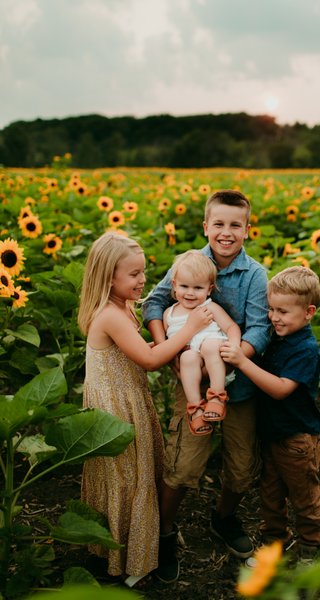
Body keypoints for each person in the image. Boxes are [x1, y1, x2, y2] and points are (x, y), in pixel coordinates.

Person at [142, 189, 269, 582]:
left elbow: (260, 327)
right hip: (192, 380)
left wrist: (235, 355)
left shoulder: (255, 275)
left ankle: (224, 518)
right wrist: (170, 347)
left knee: (242, 467)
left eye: (235, 225)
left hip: (241, 383)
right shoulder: (189, 264)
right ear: (206, 226)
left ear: (248, 230)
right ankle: (164, 531)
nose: (226, 232)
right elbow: (153, 303)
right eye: (219, 224)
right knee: (182, 465)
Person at [77, 232, 213, 584]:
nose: (143, 280)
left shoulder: (122, 304)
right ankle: (119, 558)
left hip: (128, 397)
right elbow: (151, 359)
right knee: (123, 478)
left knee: (134, 475)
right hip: (114, 407)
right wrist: (193, 328)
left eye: (144, 272)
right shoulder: (109, 314)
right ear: (110, 277)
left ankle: (134, 547)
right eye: (135, 274)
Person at [220, 266, 320, 560]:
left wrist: (242, 361)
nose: (273, 317)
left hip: (297, 439)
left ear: (308, 312)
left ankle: (310, 549)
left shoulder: (305, 349)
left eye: (283, 311)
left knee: (304, 497)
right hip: (274, 434)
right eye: (271, 309)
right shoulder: (280, 338)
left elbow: (280, 388)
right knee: (271, 495)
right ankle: (275, 543)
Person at [164, 249, 241, 435]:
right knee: (187, 357)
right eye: (184, 286)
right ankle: (196, 408)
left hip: (216, 361)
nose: (190, 293)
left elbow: (231, 327)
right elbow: (171, 343)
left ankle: (216, 396)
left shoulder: (210, 307)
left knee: (210, 344)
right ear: (174, 285)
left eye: (198, 288)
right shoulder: (169, 314)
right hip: (194, 368)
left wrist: (234, 346)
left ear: (209, 289)